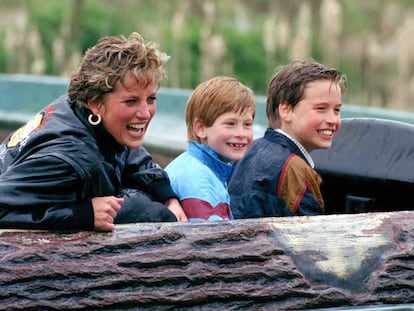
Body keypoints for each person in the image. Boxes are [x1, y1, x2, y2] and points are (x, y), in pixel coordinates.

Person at [0, 32, 187, 231]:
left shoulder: (80, 110)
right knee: (147, 213)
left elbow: (129, 151)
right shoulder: (70, 161)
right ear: (96, 104)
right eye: (131, 101)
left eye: (151, 99)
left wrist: (167, 194)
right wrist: (82, 214)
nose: (145, 112)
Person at [228, 59, 347, 218]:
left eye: (337, 110)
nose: (333, 120)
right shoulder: (295, 170)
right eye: (321, 109)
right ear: (286, 110)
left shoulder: (247, 151)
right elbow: (312, 237)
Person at [165, 76, 255, 221]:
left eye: (247, 124)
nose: (241, 133)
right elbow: (211, 240)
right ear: (200, 128)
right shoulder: (200, 181)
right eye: (230, 124)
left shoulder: (194, 165)